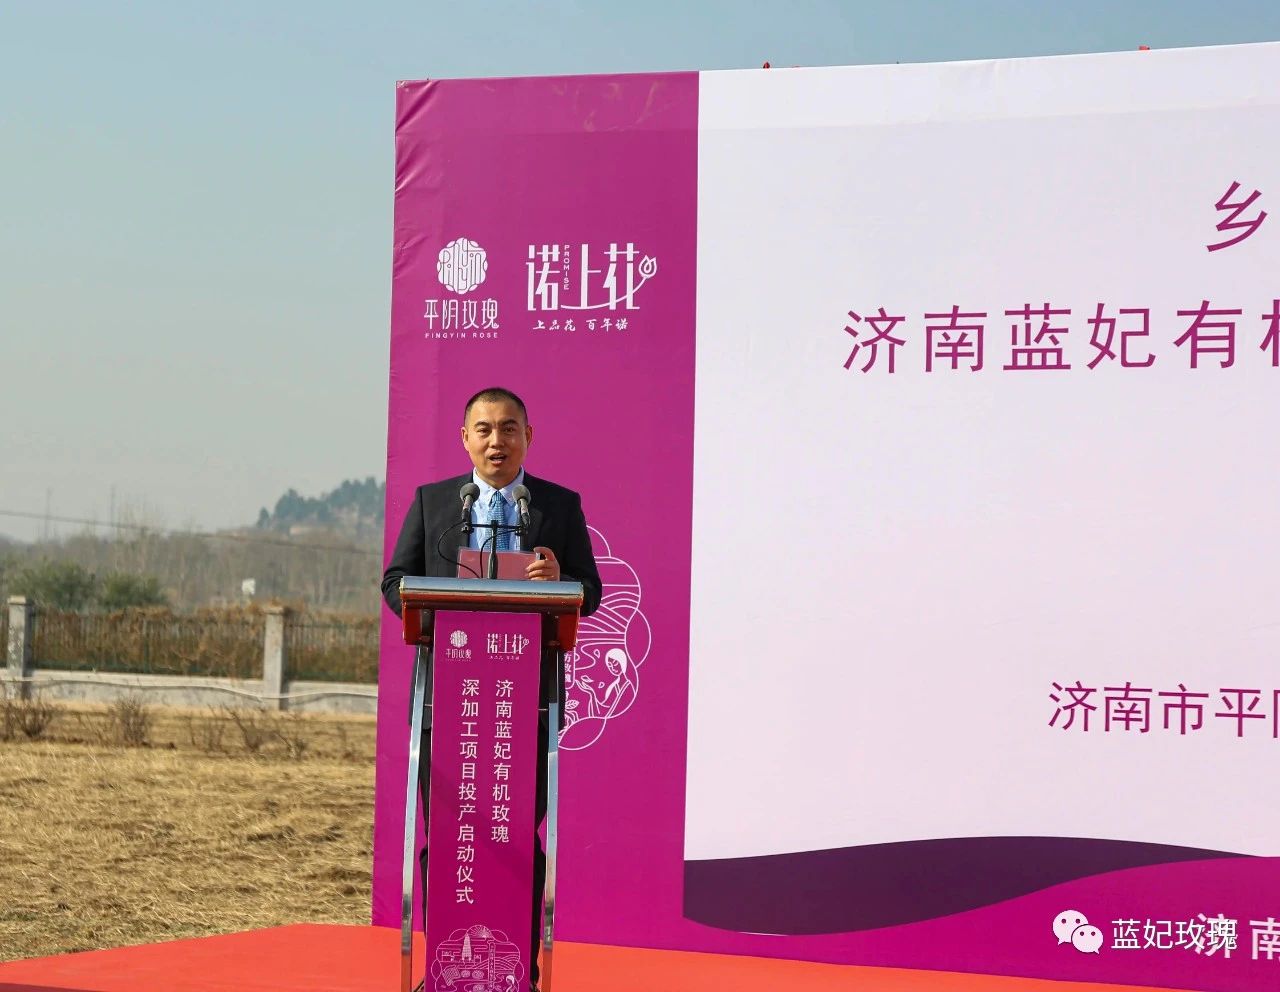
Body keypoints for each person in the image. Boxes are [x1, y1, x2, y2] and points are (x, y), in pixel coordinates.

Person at [382, 386, 602, 992]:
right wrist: (433, 609)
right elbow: (396, 580)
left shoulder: (557, 506)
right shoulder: (433, 503)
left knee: (515, 839)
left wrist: (560, 579)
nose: (496, 441)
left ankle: (516, 972)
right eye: (483, 429)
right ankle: (443, 969)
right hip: (446, 703)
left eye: (508, 429)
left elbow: (590, 590)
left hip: (523, 704)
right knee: (447, 839)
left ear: (528, 437)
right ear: (465, 439)